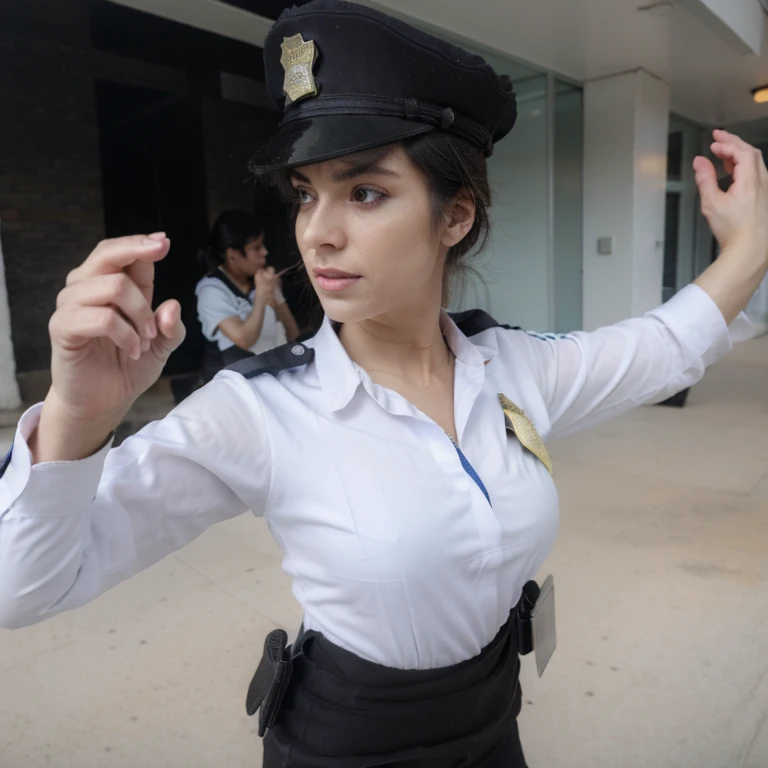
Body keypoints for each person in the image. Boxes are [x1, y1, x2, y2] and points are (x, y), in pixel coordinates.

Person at [0, 2, 765, 766]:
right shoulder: (262, 410)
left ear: (455, 215)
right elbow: (24, 587)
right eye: (305, 192)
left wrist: (749, 250)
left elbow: (662, 349)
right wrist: (77, 415)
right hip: (349, 745)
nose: (317, 232)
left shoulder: (513, 365)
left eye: (364, 192)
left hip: (496, 727)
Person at [196, 209, 300, 374]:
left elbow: (294, 337)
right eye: (256, 247)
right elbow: (245, 339)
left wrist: (276, 295)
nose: (264, 252)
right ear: (233, 255)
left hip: (270, 375)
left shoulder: (259, 280)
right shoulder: (211, 290)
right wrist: (261, 296)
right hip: (233, 385)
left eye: (263, 244)